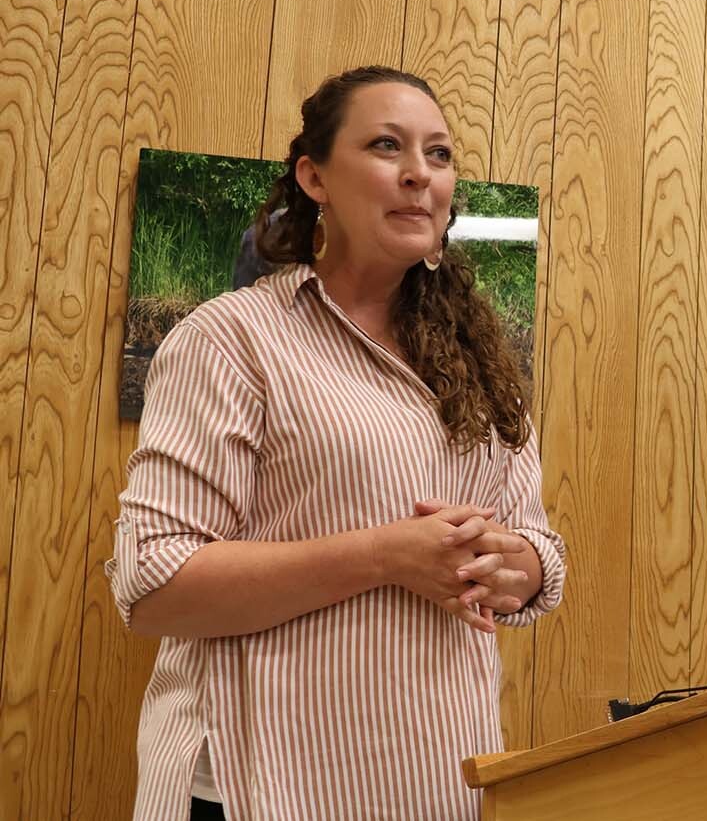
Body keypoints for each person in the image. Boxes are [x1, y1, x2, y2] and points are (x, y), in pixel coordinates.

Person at [107, 66, 566, 821]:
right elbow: (155, 586)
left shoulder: (484, 368)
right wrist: (385, 555)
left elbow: (537, 551)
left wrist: (513, 564)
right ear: (314, 176)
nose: (419, 173)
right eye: (387, 146)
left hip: (437, 782)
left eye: (439, 154)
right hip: (264, 787)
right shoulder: (231, 339)